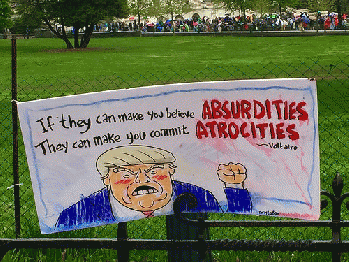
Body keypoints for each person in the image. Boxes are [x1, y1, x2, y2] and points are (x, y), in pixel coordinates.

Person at [56, 145, 252, 230]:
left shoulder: (197, 196)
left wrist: (235, 187)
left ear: (170, 172)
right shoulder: (77, 213)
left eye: (154, 171)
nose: (142, 179)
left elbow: (233, 223)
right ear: (106, 179)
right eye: (126, 174)